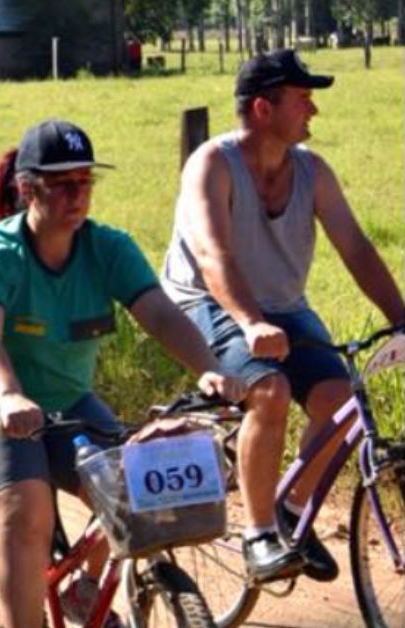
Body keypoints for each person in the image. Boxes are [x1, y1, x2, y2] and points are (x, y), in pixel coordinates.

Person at [0, 119, 244, 628]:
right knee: (26, 510)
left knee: (132, 490)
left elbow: (161, 314)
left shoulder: (108, 248)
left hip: (65, 399)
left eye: (85, 182)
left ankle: (83, 590)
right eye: (62, 184)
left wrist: (210, 369)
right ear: (26, 189)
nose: (77, 195)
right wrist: (10, 396)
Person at [160, 49, 405, 584]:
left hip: (284, 306)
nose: (313, 110)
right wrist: (249, 322)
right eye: (302, 98)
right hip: (205, 302)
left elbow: (357, 249)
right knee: (267, 390)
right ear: (263, 109)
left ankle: (292, 509)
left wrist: (401, 317)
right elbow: (212, 256)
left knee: (342, 405)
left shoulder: (312, 171)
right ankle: (258, 534)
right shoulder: (211, 164)